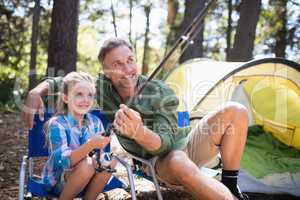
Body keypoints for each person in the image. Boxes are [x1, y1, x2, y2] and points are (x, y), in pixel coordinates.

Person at [23, 38, 249, 200]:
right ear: (106, 72)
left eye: (130, 60)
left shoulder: (161, 92)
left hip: (184, 143)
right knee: (178, 160)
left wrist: (139, 132)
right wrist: (36, 92)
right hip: (162, 161)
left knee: (236, 110)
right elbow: (62, 82)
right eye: (117, 65)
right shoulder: (100, 88)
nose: (127, 69)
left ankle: (230, 185)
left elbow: (168, 141)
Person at [40, 72, 115, 200]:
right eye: (79, 94)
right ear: (65, 98)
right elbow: (62, 162)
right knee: (86, 164)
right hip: (59, 180)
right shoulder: (57, 124)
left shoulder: (95, 122)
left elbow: (99, 156)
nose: (86, 100)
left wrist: (100, 156)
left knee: (110, 162)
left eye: (90, 95)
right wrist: (91, 144)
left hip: (89, 178)